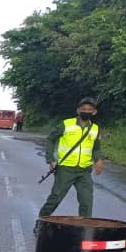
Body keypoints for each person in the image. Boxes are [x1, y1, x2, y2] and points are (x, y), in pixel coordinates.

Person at [36, 97, 105, 232]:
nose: (86, 111)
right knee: (55, 199)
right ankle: (41, 223)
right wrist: (50, 159)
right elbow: (50, 139)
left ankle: (83, 231)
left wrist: (99, 160)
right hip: (65, 169)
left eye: (90, 110)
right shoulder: (66, 124)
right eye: (84, 109)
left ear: (94, 112)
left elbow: (96, 148)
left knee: (86, 202)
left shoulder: (95, 129)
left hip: (84, 171)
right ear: (78, 110)